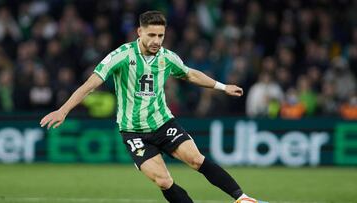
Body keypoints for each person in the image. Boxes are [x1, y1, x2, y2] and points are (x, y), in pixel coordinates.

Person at [40, 11, 267, 203]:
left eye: (161, 35)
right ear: (139, 32)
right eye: (151, 35)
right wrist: (64, 110)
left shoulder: (167, 57)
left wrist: (222, 86)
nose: (157, 40)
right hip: (133, 131)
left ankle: (242, 198)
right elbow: (90, 84)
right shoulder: (121, 55)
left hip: (163, 123)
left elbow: (189, 74)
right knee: (164, 180)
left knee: (197, 159)